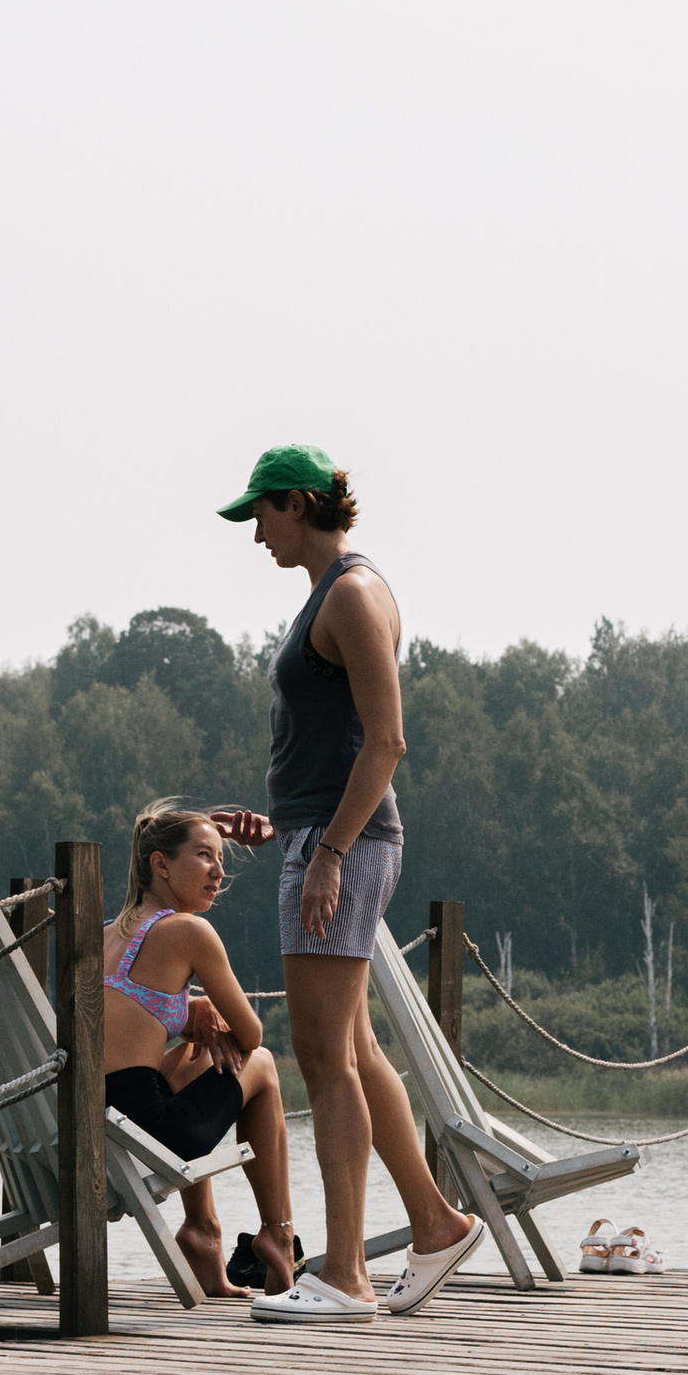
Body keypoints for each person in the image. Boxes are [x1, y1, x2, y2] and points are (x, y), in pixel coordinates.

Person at [211, 444, 480, 1323]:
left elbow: (388, 740)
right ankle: (436, 1226)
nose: (257, 535)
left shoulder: (356, 594)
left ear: (299, 503)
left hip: (344, 849)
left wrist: (326, 853)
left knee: (324, 1059)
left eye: (261, 515)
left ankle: (349, 1276)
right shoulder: (326, 597)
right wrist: (285, 829)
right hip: (318, 838)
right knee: (354, 1053)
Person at [102, 806, 301, 1302]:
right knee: (263, 1064)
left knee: (194, 1050)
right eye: (204, 856)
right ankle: (276, 1232)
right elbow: (251, 1033)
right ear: (160, 865)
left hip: (96, 1128)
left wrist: (189, 1012)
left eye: (220, 858)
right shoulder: (188, 931)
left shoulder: (105, 933)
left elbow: (126, 1022)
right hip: (150, 1138)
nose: (218, 871)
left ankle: (203, 1231)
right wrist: (204, 1004)